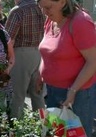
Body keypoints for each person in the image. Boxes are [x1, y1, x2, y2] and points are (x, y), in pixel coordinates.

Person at [37, 0, 96, 136]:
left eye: (48, 7)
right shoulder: (50, 20)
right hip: (52, 91)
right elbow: (48, 51)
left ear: (63, 2)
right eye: (42, 8)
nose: (45, 12)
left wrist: (73, 90)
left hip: (78, 95)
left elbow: (93, 62)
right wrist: (40, 74)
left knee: (76, 133)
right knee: (56, 132)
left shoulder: (80, 22)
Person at [5, 0, 45, 118]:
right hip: (39, 53)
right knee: (38, 94)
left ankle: (16, 129)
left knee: (18, 95)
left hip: (21, 54)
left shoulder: (18, 11)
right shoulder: (41, 7)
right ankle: (43, 128)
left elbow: (8, 39)